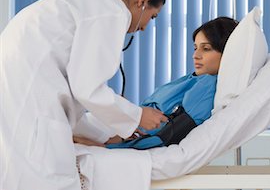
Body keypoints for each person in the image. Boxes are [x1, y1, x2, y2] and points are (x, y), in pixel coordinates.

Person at [0, 0, 168, 190]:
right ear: (143, 1)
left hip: (21, 95)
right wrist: (138, 116)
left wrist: (105, 135)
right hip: (30, 104)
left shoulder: (91, 5)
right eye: (152, 17)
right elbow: (87, 89)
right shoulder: (111, 13)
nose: (145, 27)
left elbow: (73, 102)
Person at [74, 17, 239, 150]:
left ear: (227, 50)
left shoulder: (207, 87)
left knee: (64, 128)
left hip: (122, 135)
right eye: (195, 47)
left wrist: (107, 146)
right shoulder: (195, 79)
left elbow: (168, 136)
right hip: (123, 128)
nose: (195, 55)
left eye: (206, 48)